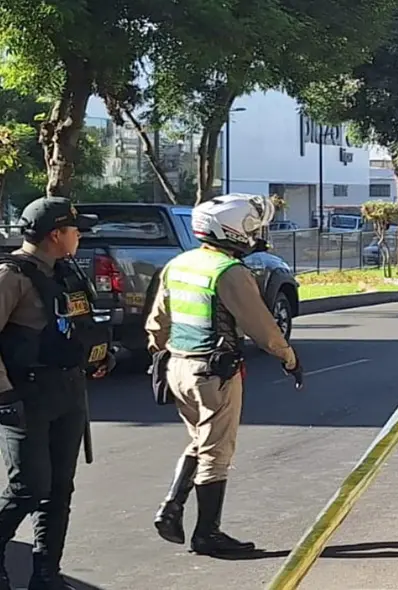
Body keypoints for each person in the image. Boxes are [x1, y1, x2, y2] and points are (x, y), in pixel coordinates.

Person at [145, 193, 303, 557]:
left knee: (201, 440)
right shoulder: (229, 272)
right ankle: (207, 534)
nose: (256, 234)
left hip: (179, 368)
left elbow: (157, 324)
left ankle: (172, 506)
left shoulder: (180, 264)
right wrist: (289, 357)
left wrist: (162, 357)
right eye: (251, 227)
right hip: (214, 373)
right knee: (217, 451)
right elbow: (261, 325)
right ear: (233, 230)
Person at [0, 196, 113, 590]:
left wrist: (99, 356)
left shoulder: (64, 272)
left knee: (58, 490)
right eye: (75, 230)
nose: (80, 236)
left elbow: (77, 324)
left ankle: (46, 574)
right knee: (28, 488)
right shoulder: (10, 276)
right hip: (25, 396)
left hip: (67, 391)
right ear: (55, 235)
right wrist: (5, 398)